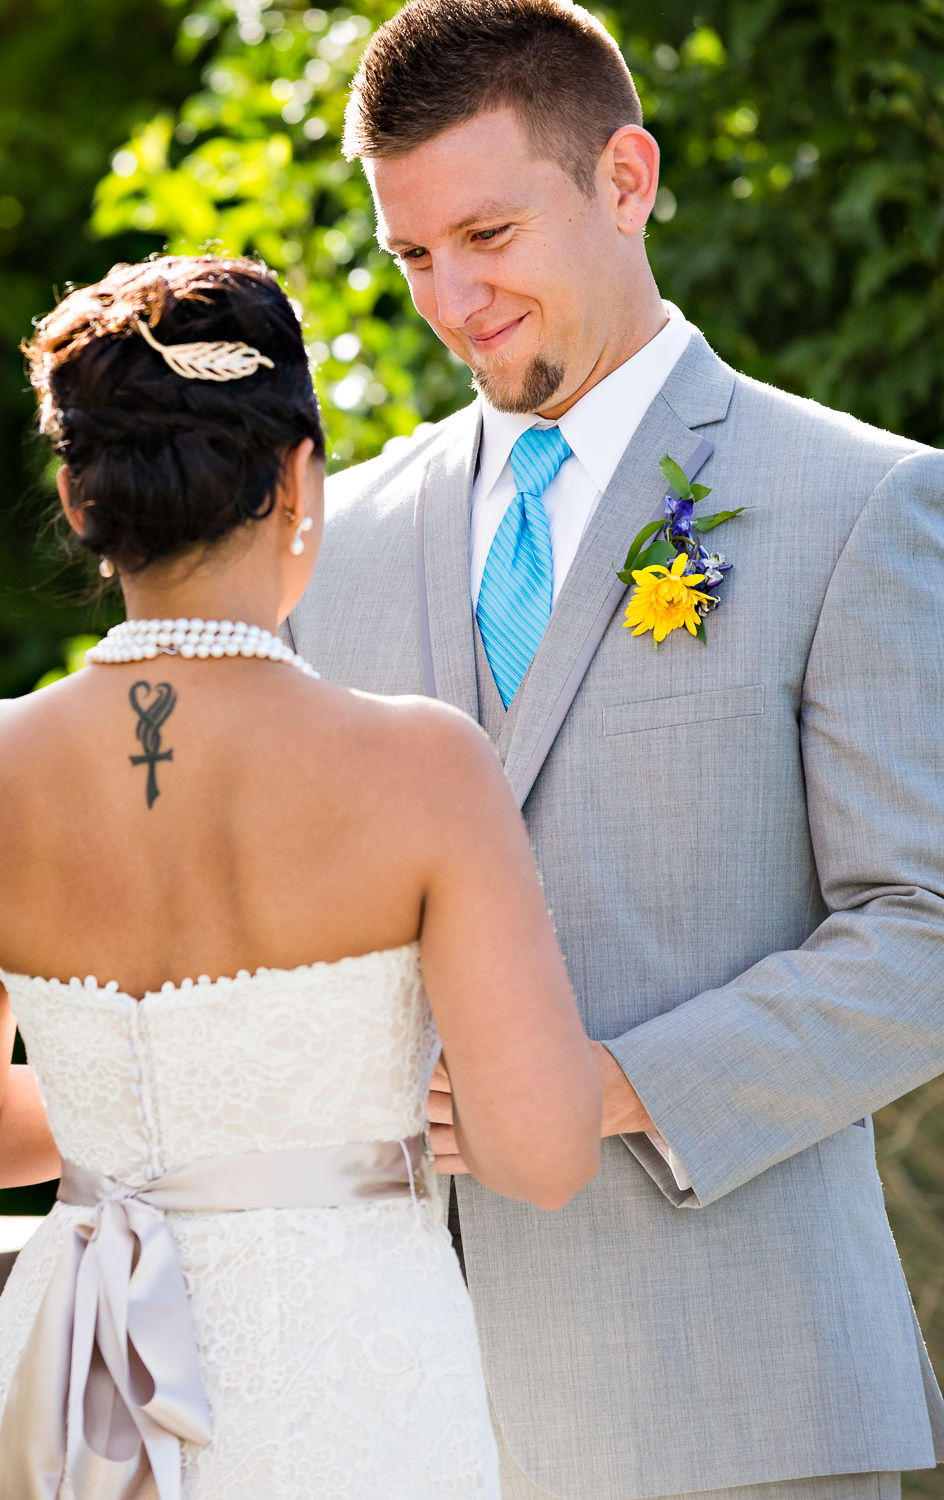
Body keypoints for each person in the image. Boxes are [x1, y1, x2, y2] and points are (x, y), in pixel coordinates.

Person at [283, 2, 944, 1498]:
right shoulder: (340, 546)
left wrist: (614, 1085)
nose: (452, 298)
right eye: (412, 255)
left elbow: (925, 935)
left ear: (627, 178)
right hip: (394, 1410)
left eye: (489, 234)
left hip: (743, 1397)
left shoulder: (857, 504)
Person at [0, 253, 602, 1499]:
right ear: (299, 475)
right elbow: (542, 1150)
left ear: (80, 499)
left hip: (73, 1359)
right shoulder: (419, 767)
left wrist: (157, 1133)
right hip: (346, 1360)